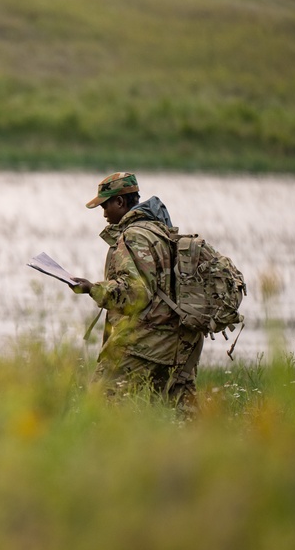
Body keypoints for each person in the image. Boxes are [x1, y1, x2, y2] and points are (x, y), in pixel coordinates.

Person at [69, 172, 203, 412]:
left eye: (105, 205)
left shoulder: (133, 236)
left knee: (99, 405)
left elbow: (136, 293)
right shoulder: (160, 231)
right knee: (180, 415)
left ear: (120, 202)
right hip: (181, 338)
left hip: (147, 341)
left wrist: (92, 288)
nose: (103, 214)